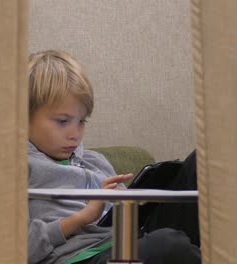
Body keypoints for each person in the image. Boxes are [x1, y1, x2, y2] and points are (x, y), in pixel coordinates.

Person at [27, 50, 200, 264]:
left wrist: (126, 203)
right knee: (167, 245)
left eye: (82, 122)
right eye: (62, 121)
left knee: (201, 164)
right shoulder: (18, 169)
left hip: (123, 239)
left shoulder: (94, 161)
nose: (75, 134)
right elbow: (15, 250)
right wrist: (82, 217)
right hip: (78, 258)